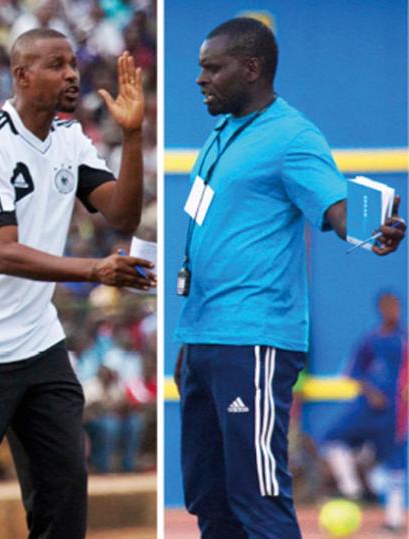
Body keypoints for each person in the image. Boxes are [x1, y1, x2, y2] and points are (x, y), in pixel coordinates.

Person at [0, 28, 155, 539]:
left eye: (73, 64)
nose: (73, 74)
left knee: (63, 492)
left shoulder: (69, 138)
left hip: (37, 341)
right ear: (22, 75)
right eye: (57, 65)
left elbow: (122, 215)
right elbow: (3, 253)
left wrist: (131, 136)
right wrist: (95, 270)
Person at [172, 18, 405, 539]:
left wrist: (377, 228)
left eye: (213, 68)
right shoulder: (222, 133)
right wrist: (189, 342)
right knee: (210, 499)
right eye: (199, 68)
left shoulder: (292, 136)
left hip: (251, 341)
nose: (200, 79)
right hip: (203, 339)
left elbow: (338, 208)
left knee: (258, 499)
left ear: (252, 68)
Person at [321, 291, 407, 532]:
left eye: (396, 306)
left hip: (395, 412)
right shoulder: (370, 340)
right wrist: (371, 393)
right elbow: (353, 372)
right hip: (367, 409)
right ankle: (351, 487)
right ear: (380, 309)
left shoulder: (405, 341)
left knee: (396, 462)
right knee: (331, 439)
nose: (392, 311)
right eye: (387, 306)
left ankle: (394, 520)